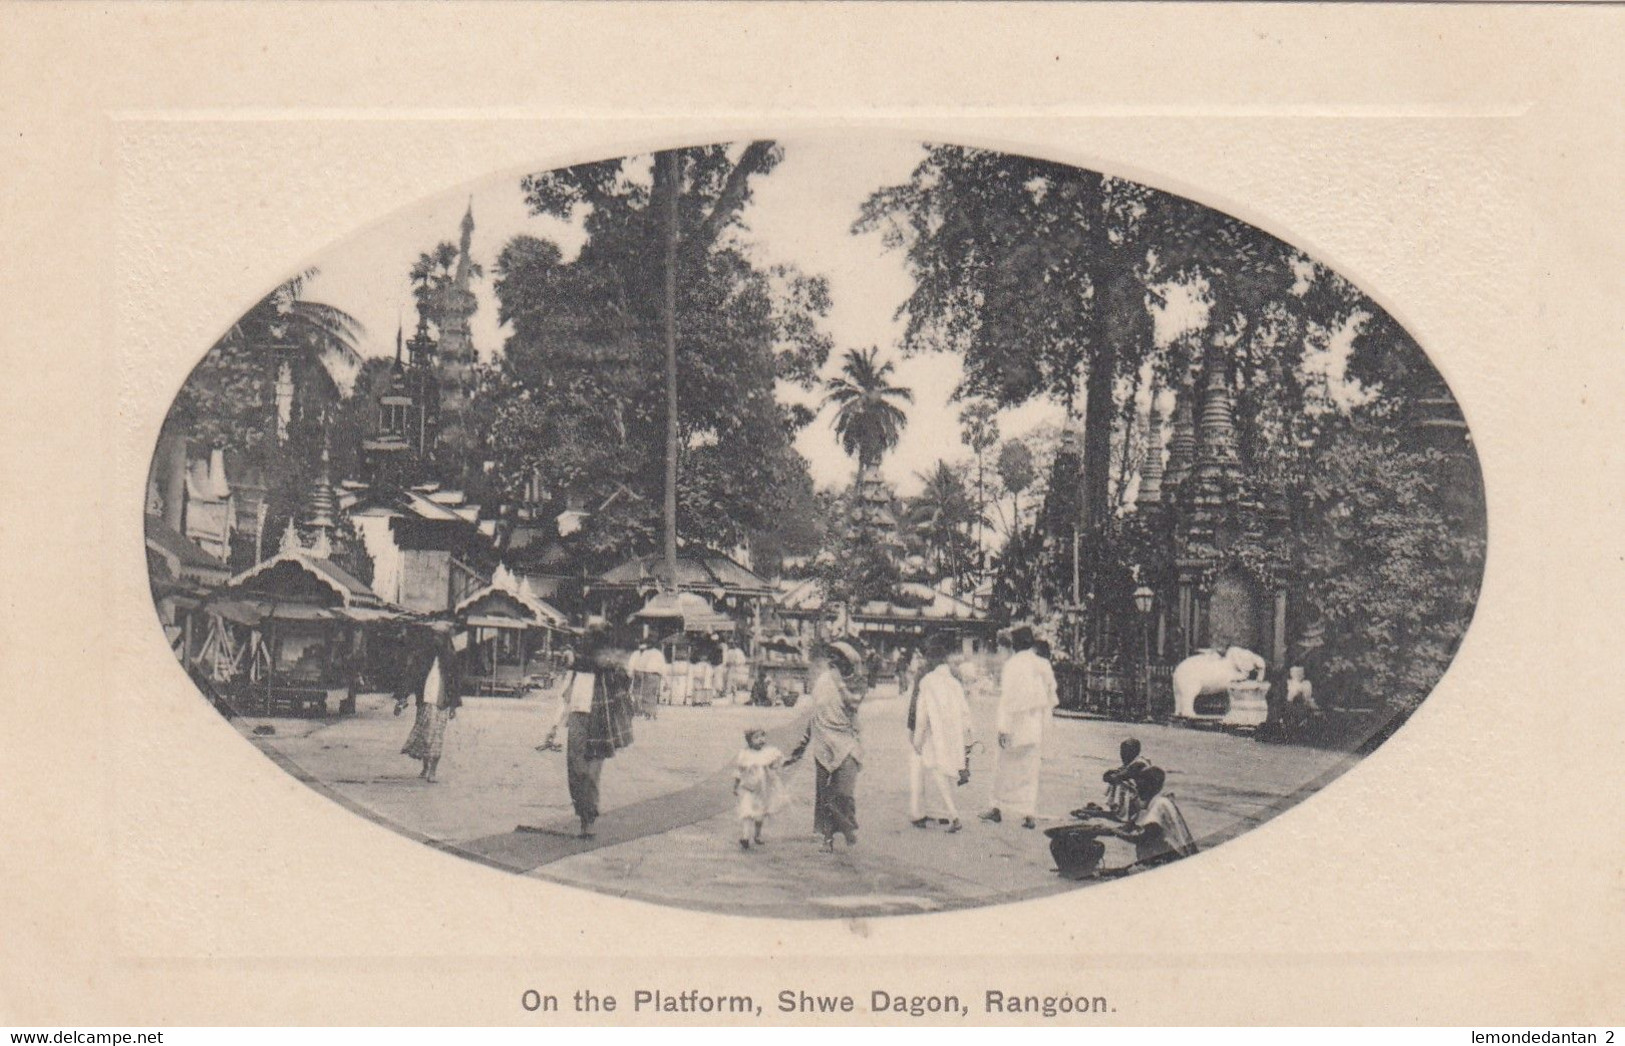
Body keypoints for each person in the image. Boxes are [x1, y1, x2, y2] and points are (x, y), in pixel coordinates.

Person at [552, 621, 635, 838]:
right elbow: (566, 693)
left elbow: (600, 664)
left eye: (594, 635)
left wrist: (575, 659)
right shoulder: (579, 664)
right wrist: (555, 722)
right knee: (575, 768)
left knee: (591, 772)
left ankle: (588, 819)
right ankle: (583, 813)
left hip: (599, 717)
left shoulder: (607, 662)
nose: (589, 638)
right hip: (578, 715)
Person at [785, 641, 867, 853]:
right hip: (823, 741)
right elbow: (814, 713)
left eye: (840, 661)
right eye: (833, 660)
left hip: (847, 741)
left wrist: (841, 684)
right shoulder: (822, 682)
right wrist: (801, 745)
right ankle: (827, 838)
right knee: (825, 794)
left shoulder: (857, 683)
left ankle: (847, 826)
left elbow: (854, 704)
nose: (835, 664)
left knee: (843, 792)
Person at [981, 626, 1057, 829]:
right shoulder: (1042, 664)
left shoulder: (1012, 666)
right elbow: (1052, 692)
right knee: (1030, 769)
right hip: (1034, 723)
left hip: (1015, 723)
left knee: (1002, 767)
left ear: (1014, 645)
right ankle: (1028, 813)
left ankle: (996, 808)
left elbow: (1007, 699)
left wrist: (1003, 727)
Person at [909, 633, 974, 832]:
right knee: (949, 773)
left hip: (935, 737)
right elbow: (965, 712)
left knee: (937, 771)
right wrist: (968, 740)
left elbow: (921, 716)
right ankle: (949, 812)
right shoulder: (954, 683)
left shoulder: (927, 682)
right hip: (954, 736)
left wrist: (917, 741)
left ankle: (953, 815)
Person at [394, 621, 463, 784]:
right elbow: (412, 677)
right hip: (425, 701)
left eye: (439, 636)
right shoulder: (422, 657)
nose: (436, 640)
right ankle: (426, 767)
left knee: (437, 737)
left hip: (442, 703)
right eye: (434, 636)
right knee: (426, 736)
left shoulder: (451, 659)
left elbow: (455, 684)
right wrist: (402, 697)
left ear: (445, 639)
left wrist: (453, 706)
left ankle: (432, 771)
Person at [1112, 766, 1199, 868]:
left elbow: (1143, 837)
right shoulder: (1159, 801)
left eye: (1141, 786)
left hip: (1172, 862)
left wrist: (1113, 832)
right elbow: (1132, 826)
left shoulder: (1159, 805)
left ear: (1152, 787)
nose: (1138, 789)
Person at [733, 727, 788, 849]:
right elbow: (739, 771)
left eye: (762, 736)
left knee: (760, 812)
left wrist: (777, 765)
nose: (761, 740)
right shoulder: (745, 754)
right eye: (756, 737)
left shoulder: (768, 753)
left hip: (763, 789)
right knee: (747, 811)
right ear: (749, 740)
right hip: (748, 787)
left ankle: (757, 835)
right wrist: (736, 785)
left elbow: (776, 764)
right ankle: (745, 837)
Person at [1099, 738, 1153, 822]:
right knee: (1121, 781)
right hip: (1140, 801)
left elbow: (1115, 777)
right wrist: (1111, 774)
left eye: (1126, 751)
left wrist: (1112, 774)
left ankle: (1122, 814)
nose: (1122, 754)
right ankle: (1119, 811)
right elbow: (1107, 777)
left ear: (1135, 752)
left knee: (1122, 783)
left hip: (1142, 803)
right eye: (1122, 751)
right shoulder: (1131, 763)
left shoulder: (1139, 764)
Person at [630, 639, 666, 720]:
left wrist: (636, 672)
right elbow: (663, 666)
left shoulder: (645, 653)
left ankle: (648, 713)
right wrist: (665, 678)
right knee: (653, 693)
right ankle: (653, 712)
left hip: (647, 673)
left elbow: (641, 664)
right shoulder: (658, 653)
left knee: (647, 694)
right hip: (657, 675)